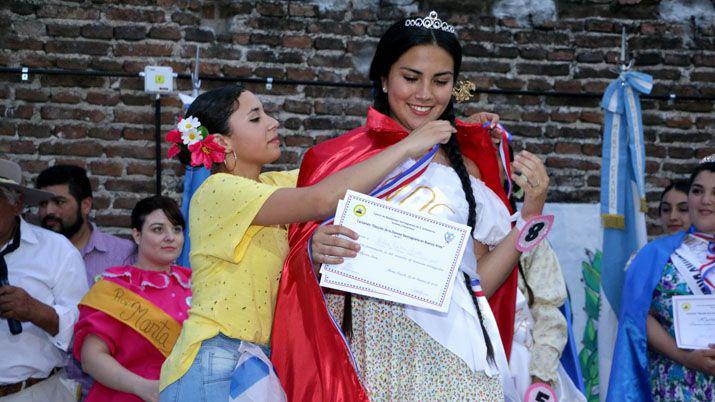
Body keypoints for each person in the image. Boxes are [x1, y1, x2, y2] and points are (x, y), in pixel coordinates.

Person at [272, 11, 550, 401]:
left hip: (456, 359)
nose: (424, 94)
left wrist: (532, 211)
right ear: (384, 79)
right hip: (370, 357)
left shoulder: (465, 168)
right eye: (410, 77)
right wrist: (315, 251)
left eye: (441, 81)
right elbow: (293, 276)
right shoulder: (336, 160)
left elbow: (479, 283)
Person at [158, 83, 453, 401]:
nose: (273, 123)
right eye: (256, 118)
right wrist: (408, 146)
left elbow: (343, 170)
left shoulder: (269, 184)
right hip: (217, 360)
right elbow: (322, 199)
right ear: (220, 142)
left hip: (250, 359)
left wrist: (458, 132)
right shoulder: (218, 190)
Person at [608, 157, 715, 401]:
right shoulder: (653, 255)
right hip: (677, 384)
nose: (706, 200)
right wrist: (685, 357)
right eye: (698, 191)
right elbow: (637, 317)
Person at [73, 196, 190, 402]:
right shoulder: (115, 286)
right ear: (137, 235)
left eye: (176, 229)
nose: (170, 237)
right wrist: (143, 387)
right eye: (158, 229)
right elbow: (91, 358)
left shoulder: (195, 284)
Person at [0, 158, 87, 401]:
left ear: (16, 204)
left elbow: (83, 333)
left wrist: (33, 310)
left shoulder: (57, 250)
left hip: (33, 393)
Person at [36, 165, 136, 286]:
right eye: (43, 203)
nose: (48, 211)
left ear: (86, 205)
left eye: (59, 202)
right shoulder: (29, 253)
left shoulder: (123, 255)